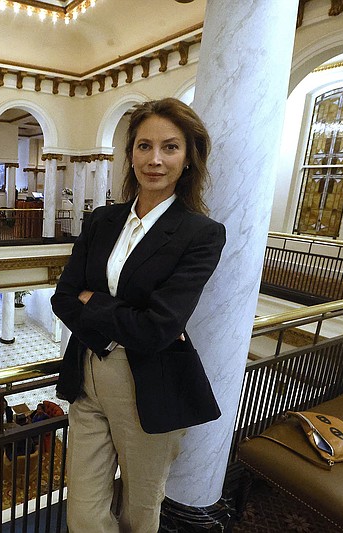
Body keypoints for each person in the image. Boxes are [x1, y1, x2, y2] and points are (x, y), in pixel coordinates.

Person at [51, 98, 226, 533]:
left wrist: (96, 301)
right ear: (130, 154)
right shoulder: (101, 221)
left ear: (188, 158)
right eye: (144, 146)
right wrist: (113, 314)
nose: (155, 159)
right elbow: (63, 298)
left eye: (170, 147)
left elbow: (157, 328)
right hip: (87, 374)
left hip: (148, 385)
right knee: (85, 515)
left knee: (140, 511)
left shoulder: (200, 234)